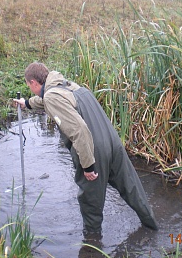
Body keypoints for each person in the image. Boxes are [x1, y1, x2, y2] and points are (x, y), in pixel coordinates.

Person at [14, 62, 158, 233]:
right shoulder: (69, 86)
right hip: (113, 143)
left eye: (28, 85)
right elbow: (48, 99)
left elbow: (80, 131)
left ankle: (92, 249)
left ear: (33, 83)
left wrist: (88, 166)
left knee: (90, 204)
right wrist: (27, 103)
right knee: (132, 189)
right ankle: (153, 227)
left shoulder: (52, 97)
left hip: (93, 151)